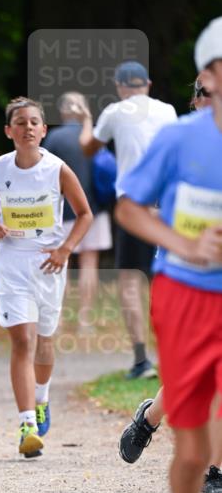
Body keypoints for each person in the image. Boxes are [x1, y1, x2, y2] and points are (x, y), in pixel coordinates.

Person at [115, 16, 222, 493]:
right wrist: (183, 245)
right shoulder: (180, 139)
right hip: (186, 294)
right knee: (193, 445)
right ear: (209, 77)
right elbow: (129, 207)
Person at [118, 72, 222, 493]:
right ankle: (153, 417)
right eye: (204, 92)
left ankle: (212, 466)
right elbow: (137, 202)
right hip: (185, 274)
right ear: (195, 100)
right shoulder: (178, 140)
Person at [0, 97, 92, 457]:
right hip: (12, 262)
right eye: (21, 122)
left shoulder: (57, 169)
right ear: (9, 131)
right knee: (23, 342)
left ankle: (42, 398)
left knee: (45, 340)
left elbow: (85, 213)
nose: (27, 128)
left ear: (43, 130)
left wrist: (65, 250)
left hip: (48, 265)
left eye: (34, 122)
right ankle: (27, 423)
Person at [80, 61, 177, 379]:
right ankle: (175, 357)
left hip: (134, 206)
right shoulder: (168, 111)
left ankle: (141, 360)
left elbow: (90, 149)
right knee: (168, 279)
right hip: (169, 206)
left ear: (120, 86)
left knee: (130, 282)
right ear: (147, 83)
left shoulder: (114, 111)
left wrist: (86, 122)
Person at [45, 93, 112, 331]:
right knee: (89, 264)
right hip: (94, 209)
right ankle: (85, 319)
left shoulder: (54, 138)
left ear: (62, 111)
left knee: (60, 265)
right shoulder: (94, 135)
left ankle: (59, 319)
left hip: (61, 211)